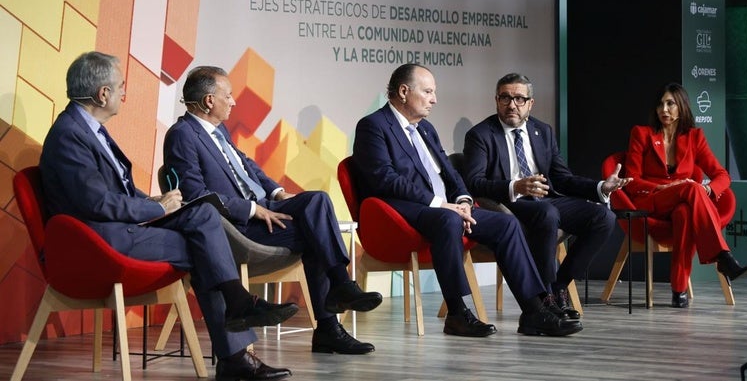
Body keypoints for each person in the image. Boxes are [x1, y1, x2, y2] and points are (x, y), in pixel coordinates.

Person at [39, 52, 297, 381]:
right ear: (103, 93)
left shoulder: (88, 129)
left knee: (203, 216)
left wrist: (156, 200)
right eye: (120, 87)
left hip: (119, 226)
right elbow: (97, 203)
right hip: (99, 241)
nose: (124, 93)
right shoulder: (69, 136)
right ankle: (236, 346)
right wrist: (157, 209)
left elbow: (119, 192)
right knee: (206, 248)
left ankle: (237, 316)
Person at [163, 66, 382, 357]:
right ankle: (331, 322)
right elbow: (196, 196)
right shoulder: (182, 135)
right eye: (228, 96)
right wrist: (252, 209)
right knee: (316, 234)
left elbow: (245, 167)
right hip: (236, 227)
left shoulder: (219, 131)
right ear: (208, 101)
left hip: (266, 207)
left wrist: (276, 191)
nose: (233, 102)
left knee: (316, 201)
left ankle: (340, 289)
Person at [351, 63, 583, 337]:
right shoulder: (373, 126)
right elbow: (384, 179)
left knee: (505, 226)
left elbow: (450, 173)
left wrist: (462, 199)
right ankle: (457, 312)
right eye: (428, 92)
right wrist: (439, 203)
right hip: (402, 211)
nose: (434, 99)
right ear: (404, 91)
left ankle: (533, 310)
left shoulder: (425, 128)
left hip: (445, 207)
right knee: (447, 219)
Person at [462, 73, 627, 318]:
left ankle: (558, 286)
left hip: (546, 199)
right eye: (505, 98)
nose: (512, 105)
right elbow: (473, 182)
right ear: (496, 100)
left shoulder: (543, 131)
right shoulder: (481, 134)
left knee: (603, 217)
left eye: (519, 99)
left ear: (531, 103)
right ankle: (544, 295)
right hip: (510, 203)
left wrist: (600, 188)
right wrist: (515, 187)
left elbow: (562, 178)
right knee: (547, 213)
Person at [624, 82, 747, 308]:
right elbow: (631, 179)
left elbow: (722, 175)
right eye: (660, 104)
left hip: (682, 202)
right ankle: (723, 257)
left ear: (681, 107)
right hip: (653, 200)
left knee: (685, 212)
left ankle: (679, 290)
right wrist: (662, 188)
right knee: (692, 187)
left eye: (670, 104)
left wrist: (709, 188)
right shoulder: (641, 134)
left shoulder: (694, 137)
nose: (664, 109)